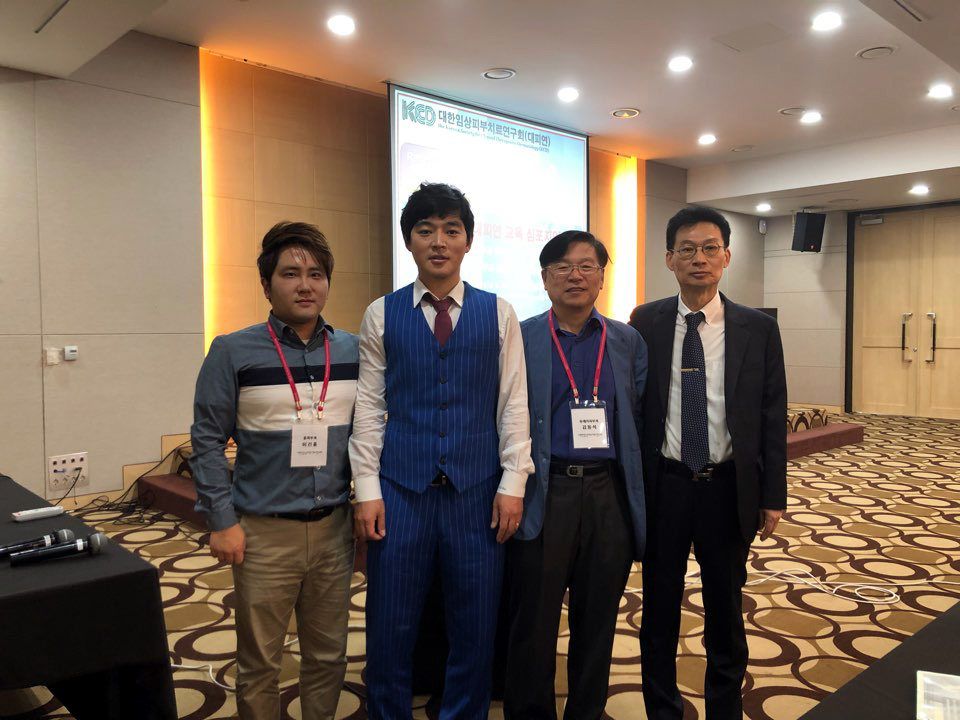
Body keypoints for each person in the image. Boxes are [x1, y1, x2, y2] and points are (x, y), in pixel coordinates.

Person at [349, 182, 534, 719]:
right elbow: (369, 408)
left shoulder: (499, 313)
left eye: (451, 230)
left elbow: (513, 405)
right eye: (425, 230)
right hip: (399, 491)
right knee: (389, 621)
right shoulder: (380, 314)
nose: (438, 241)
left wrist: (512, 483)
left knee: (475, 623)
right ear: (409, 240)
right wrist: (366, 489)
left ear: (468, 241)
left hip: (477, 494)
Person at [190, 222, 358, 720]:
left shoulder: (353, 351)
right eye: (290, 274)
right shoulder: (232, 351)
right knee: (260, 663)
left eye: (316, 274)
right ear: (266, 285)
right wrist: (221, 519)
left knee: (328, 656)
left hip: (335, 530)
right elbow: (206, 440)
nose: (305, 285)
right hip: (262, 534)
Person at [629, 206, 787, 719]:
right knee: (658, 610)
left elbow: (772, 415)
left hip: (727, 487)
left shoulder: (758, 328)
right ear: (670, 258)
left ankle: (724, 708)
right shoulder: (645, 321)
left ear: (727, 256)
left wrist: (773, 496)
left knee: (725, 609)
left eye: (710, 248)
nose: (699, 258)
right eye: (688, 249)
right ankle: (662, 709)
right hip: (666, 486)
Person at [503, 230, 647, 720]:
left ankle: (586, 711)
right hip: (545, 490)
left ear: (601, 278)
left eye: (587, 266)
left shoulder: (627, 341)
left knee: (598, 619)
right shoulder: (521, 337)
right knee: (534, 620)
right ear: (545, 279)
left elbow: (637, 417)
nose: (575, 275)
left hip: (608, 494)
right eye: (562, 267)